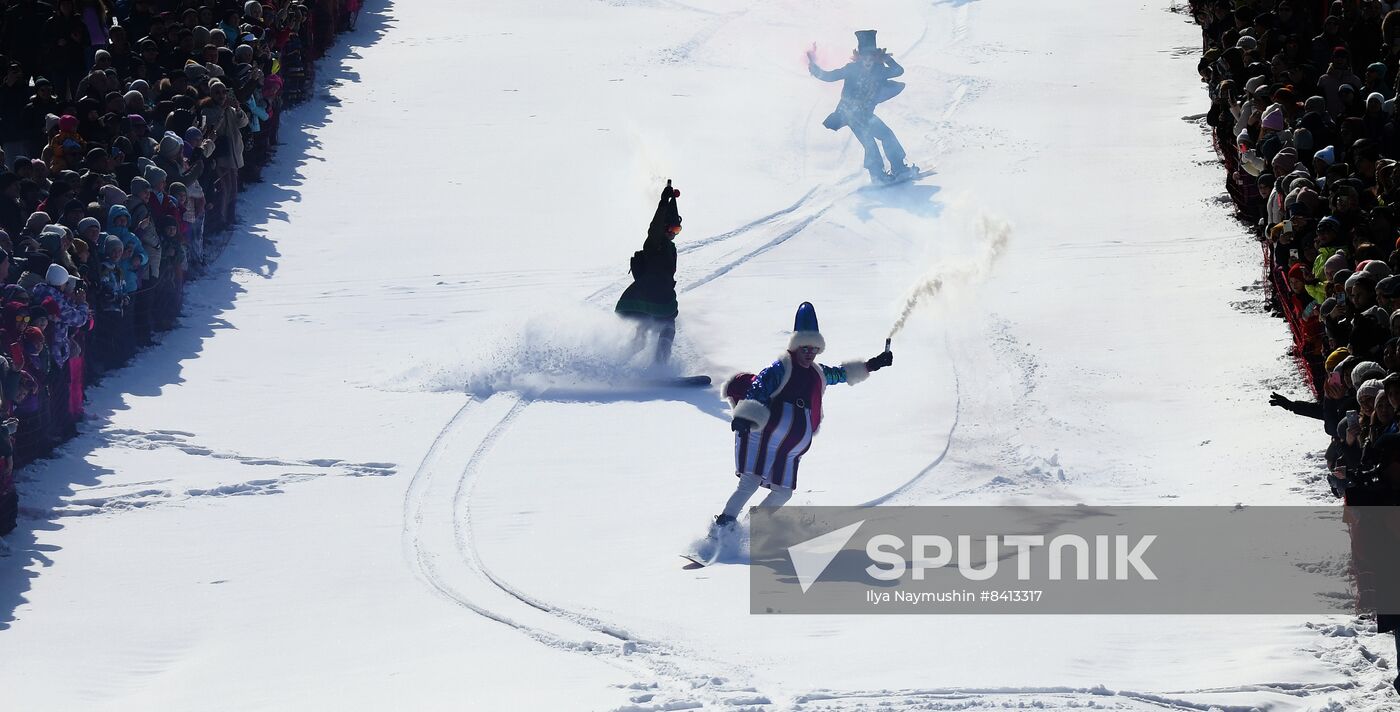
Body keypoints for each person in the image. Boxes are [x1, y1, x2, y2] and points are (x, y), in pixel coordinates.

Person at [712, 302, 893, 531]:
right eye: (805, 348)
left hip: (789, 447)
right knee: (751, 481)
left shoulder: (817, 373)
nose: (809, 353)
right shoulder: (781, 367)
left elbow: (840, 374)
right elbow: (760, 386)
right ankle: (723, 526)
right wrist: (745, 416)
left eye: (814, 349)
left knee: (783, 492)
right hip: (763, 434)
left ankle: (750, 529)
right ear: (795, 346)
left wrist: (873, 365)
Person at [808, 30, 913, 184]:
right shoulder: (851, 69)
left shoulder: (879, 70)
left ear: (876, 57)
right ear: (859, 57)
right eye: (864, 57)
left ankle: (899, 168)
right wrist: (814, 68)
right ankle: (877, 176)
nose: (868, 60)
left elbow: (898, 71)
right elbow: (830, 76)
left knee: (887, 134)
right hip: (850, 114)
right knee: (869, 141)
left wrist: (888, 59)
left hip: (866, 115)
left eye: (871, 56)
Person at [614, 180, 680, 366]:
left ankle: (616, 365)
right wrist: (663, 203)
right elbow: (655, 228)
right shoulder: (655, 243)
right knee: (668, 326)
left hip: (647, 299)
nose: (674, 233)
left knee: (644, 334)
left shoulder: (670, 247)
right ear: (665, 228)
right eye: (672, 229)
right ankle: (660, 368)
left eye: (677, 229)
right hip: (652, 297)